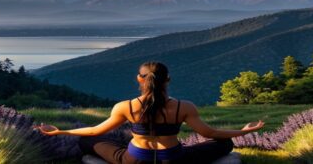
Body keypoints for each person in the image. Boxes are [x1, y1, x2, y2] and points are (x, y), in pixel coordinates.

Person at [36, 61, 264, 164]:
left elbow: (96, 130)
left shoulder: (126, 106)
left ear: (139, 79)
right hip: (174, 159)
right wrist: (242, 132)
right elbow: (210, 132)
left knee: (88, 142)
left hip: (134, 159)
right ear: (168, 80)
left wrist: (60, 132)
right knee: (224, 145)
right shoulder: (185, 107)